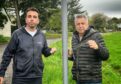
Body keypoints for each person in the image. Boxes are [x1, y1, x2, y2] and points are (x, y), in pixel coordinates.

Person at [0, 7, 56, 84]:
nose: (32, 19)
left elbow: (44, 51)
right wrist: (1, 73)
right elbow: (7, 54)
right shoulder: (17, 34)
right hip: (20, 77)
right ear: (26, 19)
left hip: (37, 76)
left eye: (34, 17)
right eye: (29, 16)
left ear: (38, 20)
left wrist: (50, 51)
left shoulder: (41, 35)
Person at [68, 14, 109, 84]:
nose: (80, 26)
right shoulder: (74, 37)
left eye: (83, 23)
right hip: (78, 79)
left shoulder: (96, 35)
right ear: (75, 25)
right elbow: (78, 57)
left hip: (92, 80)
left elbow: (106, 56)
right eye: (78, 24)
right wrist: (70, 56)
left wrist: (98, 47)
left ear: (87, 24)